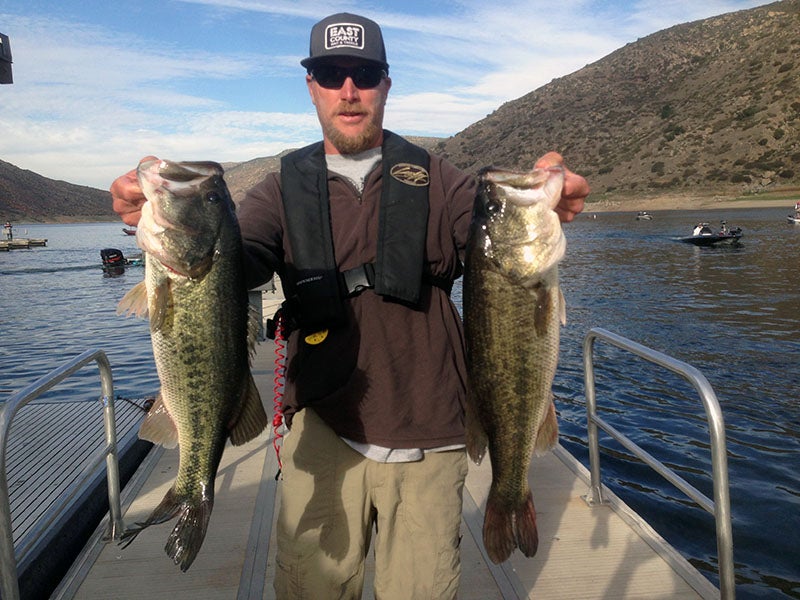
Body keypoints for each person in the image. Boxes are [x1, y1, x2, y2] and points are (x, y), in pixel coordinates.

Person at [110, 12, 589, 599]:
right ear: (310, 85)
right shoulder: (280, 188)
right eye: (331, 73)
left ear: (386, 83)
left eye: (363, 73)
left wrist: (551, 193)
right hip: (324, 428)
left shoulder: (443, 180)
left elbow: (497, 243)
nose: (348, 90)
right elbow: (241, 259)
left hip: (432, 434)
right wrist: (154, 217)